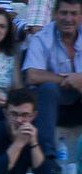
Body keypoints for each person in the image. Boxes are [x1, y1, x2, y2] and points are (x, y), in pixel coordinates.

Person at [23, 0, 82, 165]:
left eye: (73, 13)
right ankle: (47, 157)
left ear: (81, 16)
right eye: (64, 13)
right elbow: (32, 76)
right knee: (48, 88)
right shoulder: (41, 38)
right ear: (54, 14)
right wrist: (68, 79)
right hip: (50, 105)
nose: (68, 19)